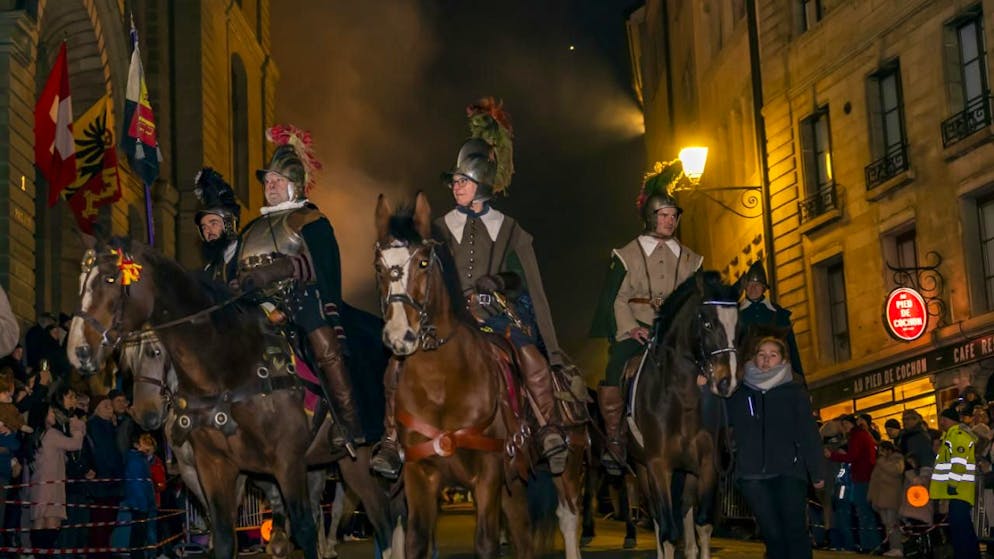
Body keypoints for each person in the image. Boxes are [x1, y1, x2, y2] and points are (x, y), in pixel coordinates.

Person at [372, 99, 570, 477]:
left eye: (462, 181)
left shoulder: (511, 230)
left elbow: (531, 287)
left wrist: (552, 346)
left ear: (481, 184)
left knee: (533, 360)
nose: (455, 187)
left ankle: (548, 430)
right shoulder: (439, 228)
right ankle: (391, 441)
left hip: (496, 314)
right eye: (454, 181)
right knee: (397, 364)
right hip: (448, 318)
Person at [233, 124, 362, 452]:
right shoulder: (251, 229)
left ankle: (347, 422)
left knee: (323, 344)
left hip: (298, 300)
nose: (270, 185)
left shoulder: (309, 220)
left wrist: (278, 270)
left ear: (295, 185)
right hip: (253, 306)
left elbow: (320, 266)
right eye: (268, 180)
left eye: (278, 180)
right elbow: (238, 269)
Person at [589, 160, 702, 475]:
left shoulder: (693, 260)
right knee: (613, 369)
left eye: (673, 215)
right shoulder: (627, 254)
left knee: (717, 366)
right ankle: (615, 438)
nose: (669, 221)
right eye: (663, 215)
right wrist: (629, 330)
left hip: (679, 336)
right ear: (650, 217)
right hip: (639, 332)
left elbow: (699, 301)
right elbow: (617, 299)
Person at [726, 335, 823, 559]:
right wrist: (705, 390)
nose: (766, 359)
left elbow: (808, 432)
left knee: (795, 530)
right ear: (753, 358)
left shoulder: (794, 391)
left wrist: (816, 471)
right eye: (761, 354)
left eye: (773, 355)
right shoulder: (740, 392)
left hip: (788, 471)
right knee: (771, 534)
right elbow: (719, 419)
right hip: (752, 475)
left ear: (782, 360)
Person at [29, 402, 85, 551]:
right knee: (52, 523)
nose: (53, 415)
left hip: (39, 483)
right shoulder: (52, 434)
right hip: (52, 484)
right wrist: (78, 427)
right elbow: (75, 444)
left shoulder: (37, 435)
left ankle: (38, 553)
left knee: (39, 521)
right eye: (50, 412)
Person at [737, 261, 804, 377]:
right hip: (747, 375)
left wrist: (800, 378)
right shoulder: (736, 314)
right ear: (745, 287)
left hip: (777, 373)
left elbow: (792, 349)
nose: (753, 288)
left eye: (757, 285)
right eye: (750, 284)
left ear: (763, 288)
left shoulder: (779, 314)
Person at [930, 406, 981, 559]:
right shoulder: (951, 436)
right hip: (959, 490)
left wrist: (952, 484)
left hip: (958, 489)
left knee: (960, 529)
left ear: (947, 419)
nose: (941, 422)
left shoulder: (957, 436)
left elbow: (959, 463)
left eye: (942, 419)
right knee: (962, 528)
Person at [827, 413, 881, 553]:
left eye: (845, 424)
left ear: (851, 424)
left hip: (861, 477)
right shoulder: (862, 435)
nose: (844, 428)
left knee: (863, 512)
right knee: (864, 512)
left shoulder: (856, 437)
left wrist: (832, 456)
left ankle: (869, 545)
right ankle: (870, 544)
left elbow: (852, 456)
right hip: (864, 476)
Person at [193, 167, 241, 283]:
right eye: (204, 227)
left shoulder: (246, 253)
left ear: (229, 224)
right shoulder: (209, 270)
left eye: (213, 223)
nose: (208, 231)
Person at [122, 433, 156, 559]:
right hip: (139, 503)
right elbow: (137, 485)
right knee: (138, 534)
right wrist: (143, 505)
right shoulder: (136, 461)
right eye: (144, 443)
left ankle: (137, 555)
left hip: (141, 502)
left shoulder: (140, 459)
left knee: (139, 534)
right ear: (137, 445)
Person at [868, 440, 905, 556]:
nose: (880, 452)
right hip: (880, 498)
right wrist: (870, 496)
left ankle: (897, 547)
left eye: (882, 450)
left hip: (891, 497)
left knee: (892, 523)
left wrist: (882, 461)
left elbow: (896, 471)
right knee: (886, 524)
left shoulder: (897, 459)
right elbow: (874, 480)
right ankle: (892, 547)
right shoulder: (880, 462)